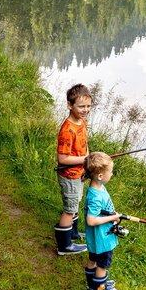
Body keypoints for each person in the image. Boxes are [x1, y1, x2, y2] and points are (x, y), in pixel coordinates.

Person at [53, 83, 92, 255]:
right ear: (70, 105)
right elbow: (63, 158)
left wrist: (87, 163)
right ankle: (64, 246)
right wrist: (85, 159)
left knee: (75, 202)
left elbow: (84, 146)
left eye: (88, 106)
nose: (85, 110)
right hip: (69, 175)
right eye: (81, 106)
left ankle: (73, 233)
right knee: (69, 209)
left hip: (79, 173)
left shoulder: (81, 123)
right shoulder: (68, 130)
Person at [83, 151, 121, 290]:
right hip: (102, 239)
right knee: (102, 266)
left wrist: (112, 214)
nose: (111, 174)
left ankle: (92, 284)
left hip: (94, 239)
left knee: (93, 259)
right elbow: (91, 220)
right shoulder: (96, 196)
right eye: (110, 172)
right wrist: (114, 217)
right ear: (100, 175)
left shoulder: (96, 187)